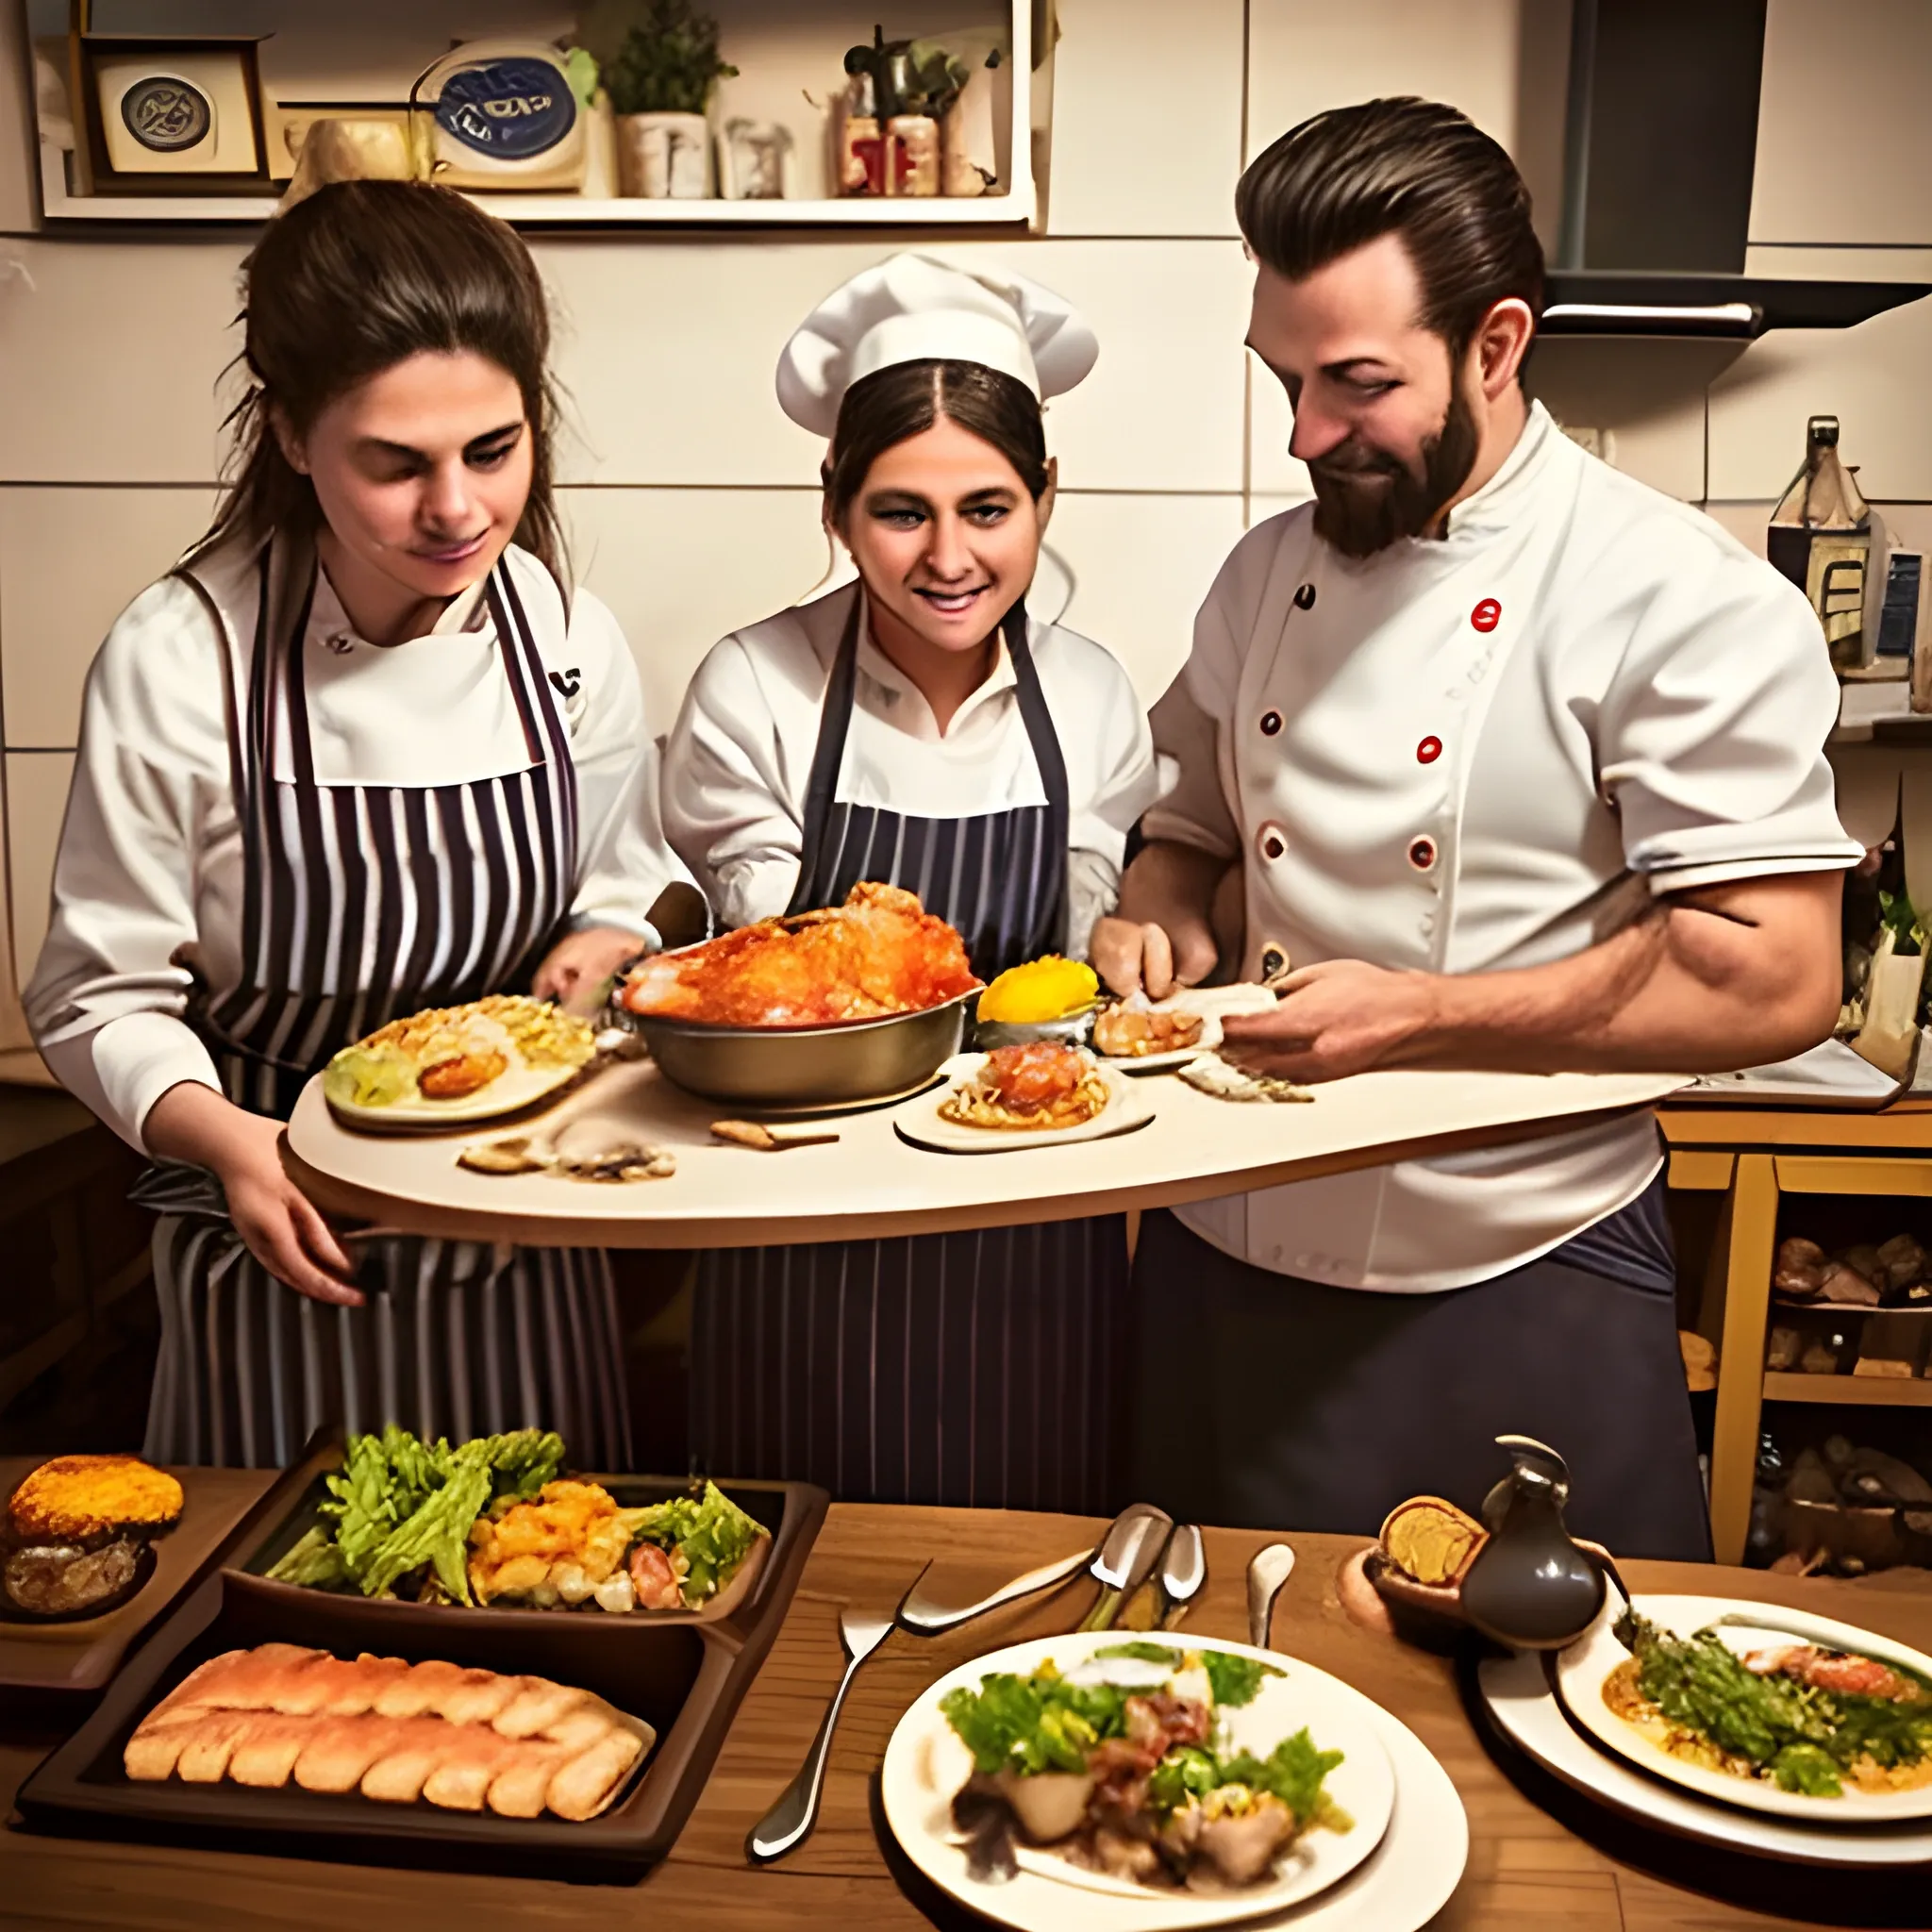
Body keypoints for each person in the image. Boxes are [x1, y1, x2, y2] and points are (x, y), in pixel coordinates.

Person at [1093, 100, 1860, 1558]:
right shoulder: (1263, 577)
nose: (1309, 434)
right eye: (1286, 380)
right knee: (1210, 1718)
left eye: (1357, 384)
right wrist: (1164, 901)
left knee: (1546, 1728)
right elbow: (1187, 816)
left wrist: (1426, 1017)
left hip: (1519, 1273)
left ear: (1498, 345)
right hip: (1215, 1259)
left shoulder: (1671, 596)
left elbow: (1776, 974)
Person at [26, 181, 686, 1469]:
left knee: (545, 1592)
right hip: (274, 1232)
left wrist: (606, 936)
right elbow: (94, 996)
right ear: (287, 433)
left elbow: (628, 876)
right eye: (395, 464)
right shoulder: (182, 658)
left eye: (493, 451)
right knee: (285, 1641)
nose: (457, 511)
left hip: (519, 1230)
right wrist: (233, 1143)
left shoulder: (560, 635)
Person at [662, 254, 1160, 1509]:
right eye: (902, 513)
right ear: (836, 508)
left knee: (1031, 1568)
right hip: (800, 1221)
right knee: (784, 1577)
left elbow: (1095, 942)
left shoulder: (1092, 696)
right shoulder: (757, 688)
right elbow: (755, 960)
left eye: (989, 510)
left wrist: (1150, 946)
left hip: (1034, 1225)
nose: (949, 558)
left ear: (1046, 495)